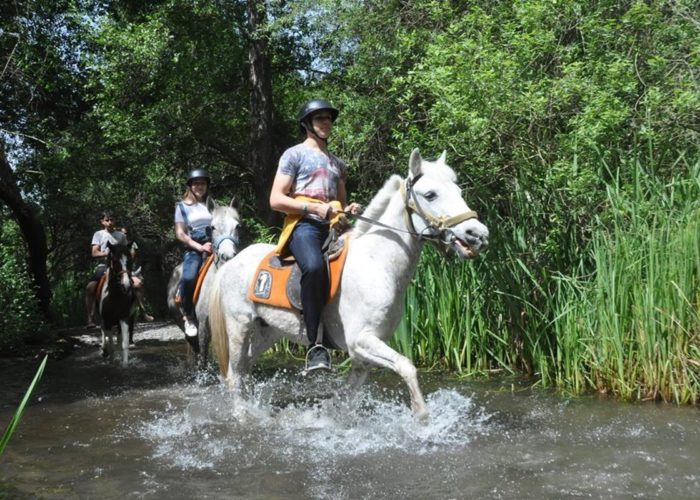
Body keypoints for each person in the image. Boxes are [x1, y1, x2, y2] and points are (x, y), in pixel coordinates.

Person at [269, 98, 362, 372]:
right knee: (313, 266)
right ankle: (315, 346)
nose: (326, 123)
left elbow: (340, 204)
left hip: (334, 226)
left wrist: (349, 208)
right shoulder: (293, 155)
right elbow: (275, 199)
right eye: (320, 118)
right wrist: (312, 208)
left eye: (329, 119)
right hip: (304, 225)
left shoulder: (338, 164)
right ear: (307, 124)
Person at [174, 168, 214, 337]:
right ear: (190, 186)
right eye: (196, 183)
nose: (200, 186)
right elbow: (180, 233)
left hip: (215, 245)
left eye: (202, 183)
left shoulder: (212, 205)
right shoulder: (182, 207)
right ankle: (188, 315)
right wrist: (199, 247)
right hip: (194, 248)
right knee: (189, 277)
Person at [85, 210, 127, 328]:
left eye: (111, 219)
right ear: (102, 222)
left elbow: (126, 251)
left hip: (120, 266)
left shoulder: (121, 236)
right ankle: (90, 318)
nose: (110, 222)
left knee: (136, 284)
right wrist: (107, 254)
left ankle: (141, 311)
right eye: (107, 220)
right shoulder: (98, 234)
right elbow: (94, 253)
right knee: (90, 288)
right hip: (103, 266)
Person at [120, 226, 154, 323]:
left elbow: (132, 256)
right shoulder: (116, 244)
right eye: (121, 234)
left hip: (132, 271)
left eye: (125, 234)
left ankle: (143, 312)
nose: (123, 236)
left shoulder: (132, 244)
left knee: (138, 285)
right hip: (120, 272)